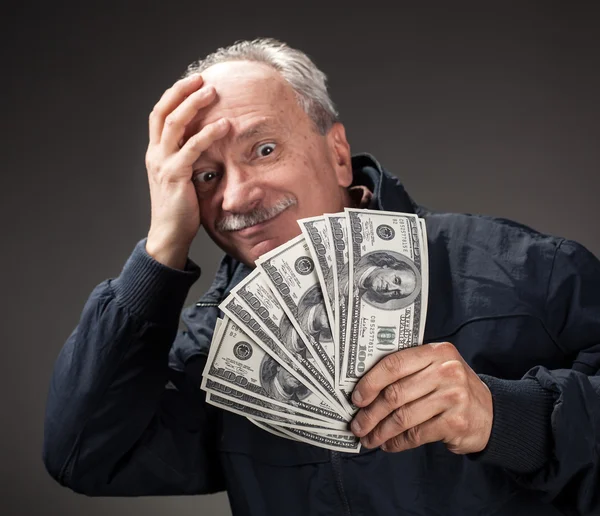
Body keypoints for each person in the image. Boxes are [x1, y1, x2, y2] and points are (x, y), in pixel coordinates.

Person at [43, 37, 600, 515]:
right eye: (206, 175)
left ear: (337, 153)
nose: (236, 196)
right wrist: (162, 247)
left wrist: (505, 416)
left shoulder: (527, 269)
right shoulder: (216, 345)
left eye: (263, 149)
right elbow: (85, 456)